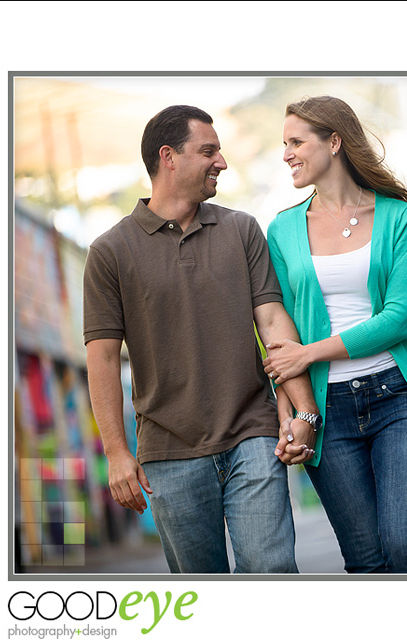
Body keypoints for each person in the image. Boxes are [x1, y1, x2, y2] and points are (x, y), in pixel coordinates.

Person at [83, 105, 319, 574]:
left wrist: (304, 411)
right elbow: (103, 360)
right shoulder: (110, 252)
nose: (222, 162)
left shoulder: (240, 229)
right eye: (208, 151)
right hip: (169, 454)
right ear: (168, 157)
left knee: (272, 571)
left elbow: (272, 322)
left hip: (253, 434)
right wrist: (115, 453)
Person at [263, 95, 407, 573]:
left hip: (397, 398)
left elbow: (398, 318)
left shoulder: (399, 217)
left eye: (297, 142)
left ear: (335, 142)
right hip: (328, 411)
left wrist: (309, 353)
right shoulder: (282, 230)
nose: (286, 154)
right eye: (284, 144)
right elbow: (276, 328)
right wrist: (292, 408)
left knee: (406, 547)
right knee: (366, 561)